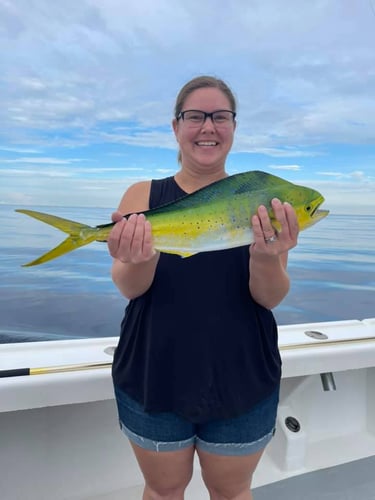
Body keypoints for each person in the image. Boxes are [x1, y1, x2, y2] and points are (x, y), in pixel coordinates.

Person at [107, 75, 299, 500]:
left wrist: (267, 255)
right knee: (163, 489)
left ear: (234, 126)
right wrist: (142, 258)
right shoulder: (144, 194)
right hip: (153, 371)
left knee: (231, 492)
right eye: (195, 116)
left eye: (220, 116)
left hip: (242, 375)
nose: (208, 127)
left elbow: (269, 297)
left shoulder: (262, 197)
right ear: (176, 127)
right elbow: (128, 287)